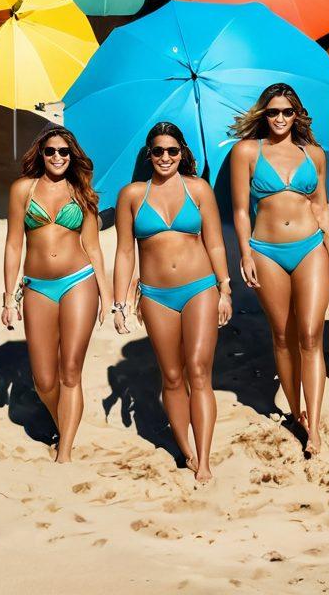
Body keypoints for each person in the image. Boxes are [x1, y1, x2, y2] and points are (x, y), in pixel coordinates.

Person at [113, 123, 232, 482]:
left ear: (183, 153)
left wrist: (225, 287)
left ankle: (206, 460)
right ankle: (187, 450)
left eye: (172, 151)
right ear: (148, 155)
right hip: (155, 295)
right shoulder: (132, 194)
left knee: (198, 369)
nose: (165, 157)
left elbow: (214, 243)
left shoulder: (198, 189)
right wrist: (119, 303)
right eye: (158, 151)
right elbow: (123, 252)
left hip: (200, 288)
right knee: (172, 375)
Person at [229, 83, 329, 456]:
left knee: (310, 334)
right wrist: (245, 254)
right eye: (274, 112)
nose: (280, 118)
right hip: (266, 251)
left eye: (287, 112)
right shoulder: (247, 151)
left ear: (297, 115)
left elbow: (322, 207)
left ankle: (315, 426)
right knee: (282, 335)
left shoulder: (313, 154)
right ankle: (296, 411)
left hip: (311, 247)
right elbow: (242, 211)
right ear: (264, 114)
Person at [2, 127, 110, 463]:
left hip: (79, 281)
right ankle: (62, 422)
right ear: (41, 154)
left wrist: (106, 295)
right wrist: (8, 296)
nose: (58, 157)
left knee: (70, 370)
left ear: (72, 155)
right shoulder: (23, 189)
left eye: (64, 152)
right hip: (36, 286)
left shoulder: (82, 191)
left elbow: (93, 245)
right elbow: (13, 243)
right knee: (44, 379)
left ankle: (64, 451)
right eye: (51, 151)